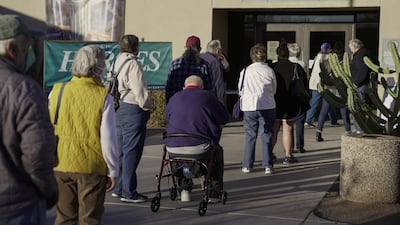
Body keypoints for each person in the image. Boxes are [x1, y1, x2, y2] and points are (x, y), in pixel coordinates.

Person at [48, 45, 119, 225]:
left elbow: (48, 125)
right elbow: (108, 137)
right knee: (90, 219)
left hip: (61, 162)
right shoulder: (104, 96)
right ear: (98, 66)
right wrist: (112, 169)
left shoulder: (57, 90)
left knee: (64, 218)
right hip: (90, 165)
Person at [0, 14, 58, 225]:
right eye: (26, 46)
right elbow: (37, 156)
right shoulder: (24, 89)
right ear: (12, 50)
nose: (29, 52)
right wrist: (50, 192)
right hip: (16, 207)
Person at [165, 75, 229, 202]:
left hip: (173, 146)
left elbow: (167, 117)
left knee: (181, 157)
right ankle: (213, 192)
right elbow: (224, 118)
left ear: (184, 87)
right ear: (202, 87)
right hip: (199, 146)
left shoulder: (175, 98)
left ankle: (184, 189)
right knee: (216, 152)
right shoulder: (207, 96)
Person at [111, 34, 152, 203]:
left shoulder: (118, 60)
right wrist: (147, 106)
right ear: (136, 48)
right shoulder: (133, 64)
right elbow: (140, 90)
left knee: (121, 150)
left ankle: (119, 188)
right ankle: (129, 192)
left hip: (119, 107)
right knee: (132, 152)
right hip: (132, 108)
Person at [239, 43, 277, 174]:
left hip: (249, 106)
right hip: (267, 105)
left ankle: (247, 165)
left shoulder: (245, 71)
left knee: (250, 135)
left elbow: (240, 88)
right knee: (266, 135)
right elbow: (274, 88)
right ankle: (267, 165)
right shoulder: (269, 70)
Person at [272, 40, 308, 165]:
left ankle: (269, 154)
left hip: (275, 102)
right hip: (291, 102)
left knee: (274, 129)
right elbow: (304, 84)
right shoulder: (295, 67)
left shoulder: (273, 68)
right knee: (287, 128)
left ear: (277, 54)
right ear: (289, 54)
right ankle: (288, 155)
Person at [316, 41, 352, 141]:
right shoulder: (346, 62)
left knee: (323, 111)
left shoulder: (327, 62)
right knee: (344, 112)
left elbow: (323, 75)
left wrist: (322, 86)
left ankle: (318, 132)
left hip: (329, 89)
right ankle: (348, 131)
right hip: (341, 90)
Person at [165, 35, 213, 102]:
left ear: (185, 48)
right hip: (198, 105)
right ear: (199, 49)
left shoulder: (175, 64)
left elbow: (168, 89)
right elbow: (209, 90)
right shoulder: (204, 66)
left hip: (177, 104)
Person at [304, 42, 338, 127]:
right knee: (326, 101)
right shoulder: (328, 58)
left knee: (318, 102)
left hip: (316, 83)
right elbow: (330, 70)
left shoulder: (317, 57)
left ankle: (333, 120)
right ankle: (309, 120)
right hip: (323, 83)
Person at [348, 38, 377, 134]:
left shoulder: (359, 55)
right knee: (363, 106)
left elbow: (362, 70)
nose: (350, 49)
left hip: (361, 84)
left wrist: (356, 82)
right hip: (365, 83)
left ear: (354, 47)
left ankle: (359, 128)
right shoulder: (366, 53)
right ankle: (361, 127)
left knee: (358, 107)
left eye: (350, 47)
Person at [288, 43, 306, 153]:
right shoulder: (302, 63)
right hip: (300, 95)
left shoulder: (288, 63)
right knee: (300, 121)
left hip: (290, 94)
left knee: (289, 123)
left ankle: (291, 146)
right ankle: (300, 145)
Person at [200, 39, 226, 103]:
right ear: (218, 51)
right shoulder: (214, 62)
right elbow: (218, 84)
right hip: (209, 98)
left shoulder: (199, 58)